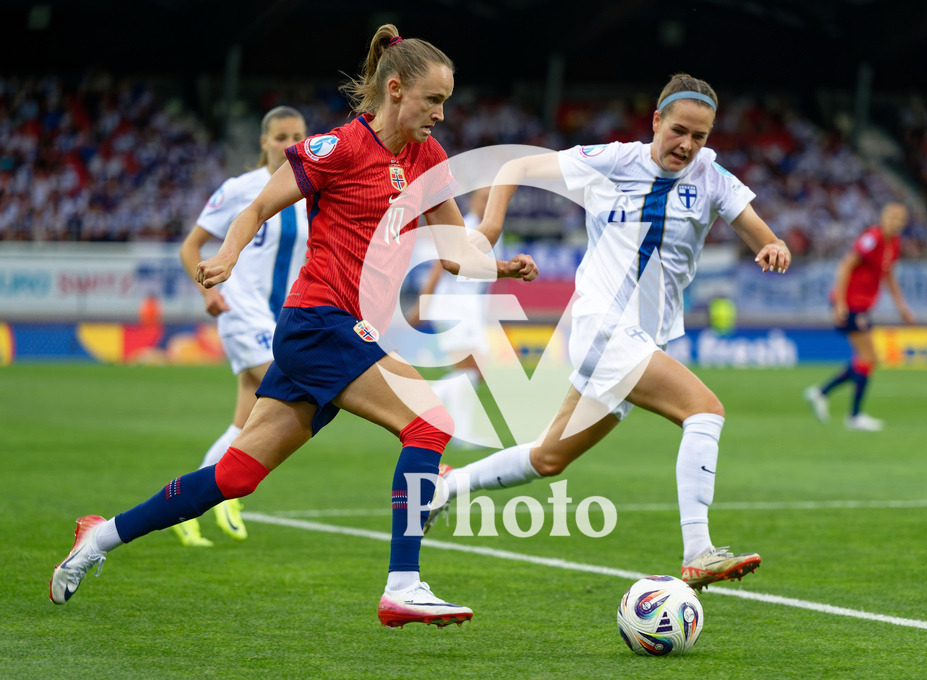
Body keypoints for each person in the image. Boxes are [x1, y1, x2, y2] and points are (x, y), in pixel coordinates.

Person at [48, 24, 538, 629]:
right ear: (394, 90)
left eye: (446, 101)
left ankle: (99, 537)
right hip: (317, 321)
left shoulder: (428, 159)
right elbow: (256, 207)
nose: (442, 113)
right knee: (431, 421)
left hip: (340, 331)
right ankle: (404, 585)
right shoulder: (338, 148)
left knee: (235, 476)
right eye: (433, 100)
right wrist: (226, 258)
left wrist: (500, 257)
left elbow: (455, 252)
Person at [426, 73, 791, 591]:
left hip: (641, 339)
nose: (687, 145)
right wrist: (488, 228)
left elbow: (755, 227)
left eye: (701, 136)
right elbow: (514, 166)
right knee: (703, 410)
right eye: (679, 130)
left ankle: (445, 487)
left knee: (549, 457)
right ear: (657, 121)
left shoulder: (712, 178)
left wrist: (772, 244)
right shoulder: (614, 161)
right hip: (604, 326)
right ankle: (698, 550)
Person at [170, 106, 309, 547]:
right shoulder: (241, 189)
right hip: (241, 314)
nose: (290, 145)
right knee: (290, 392)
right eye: (281, 136)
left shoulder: (312, 190)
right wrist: (208, 291)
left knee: (246, 424)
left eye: (298, 136)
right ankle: (219, 492)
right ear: (264, 142)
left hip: (280, 319)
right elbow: (191, 247)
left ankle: (187, 501)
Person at [804, 202, 914, 431]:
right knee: (869, 356)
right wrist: (840, 304)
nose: (895, 222)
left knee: (867, 358)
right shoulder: (872, 239)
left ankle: (822, 393)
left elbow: (888, 275)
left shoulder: (893, 244)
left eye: (900, 219)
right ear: (883, 217)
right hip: (851, 304)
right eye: (892, 217)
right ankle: (852, 415)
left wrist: (901, 306)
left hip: (862, 306)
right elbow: (846, 266)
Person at [412, 187, 501, 447]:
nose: (488, 204)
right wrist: (425, 301)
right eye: (484, 198)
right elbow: (441, 263)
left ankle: (460, 430)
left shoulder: (492, 229)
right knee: (473, 370)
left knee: (473, 374)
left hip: (470, 308)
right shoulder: (469, 227)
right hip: (454, 306)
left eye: (492, 199)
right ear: (474, 201)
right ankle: (424, 402)